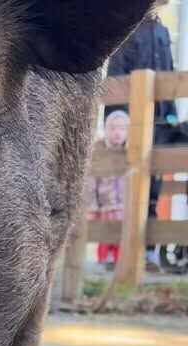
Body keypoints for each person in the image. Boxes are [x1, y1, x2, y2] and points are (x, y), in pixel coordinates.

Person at [107, 2, 177, 270]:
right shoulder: (128, 30)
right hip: (132, 122)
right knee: (130, 188)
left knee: (155, 188)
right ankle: (124, 252)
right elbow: (116, 77)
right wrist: (119, 120)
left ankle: (150, 251)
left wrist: (170, 114)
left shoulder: (162, 31)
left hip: (159, 120)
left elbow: (169, 73)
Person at [88, 111, 130, 268]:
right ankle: (102, 262)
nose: (117, 132)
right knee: (105, 235)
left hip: (124, 205)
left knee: (121, 235)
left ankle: (119, 264)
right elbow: (92, 181)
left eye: (122, 128)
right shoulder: (100, 152)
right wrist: (92, 205)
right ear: (106, 130)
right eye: (112, 128)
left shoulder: (131, 152)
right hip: (105, 204)